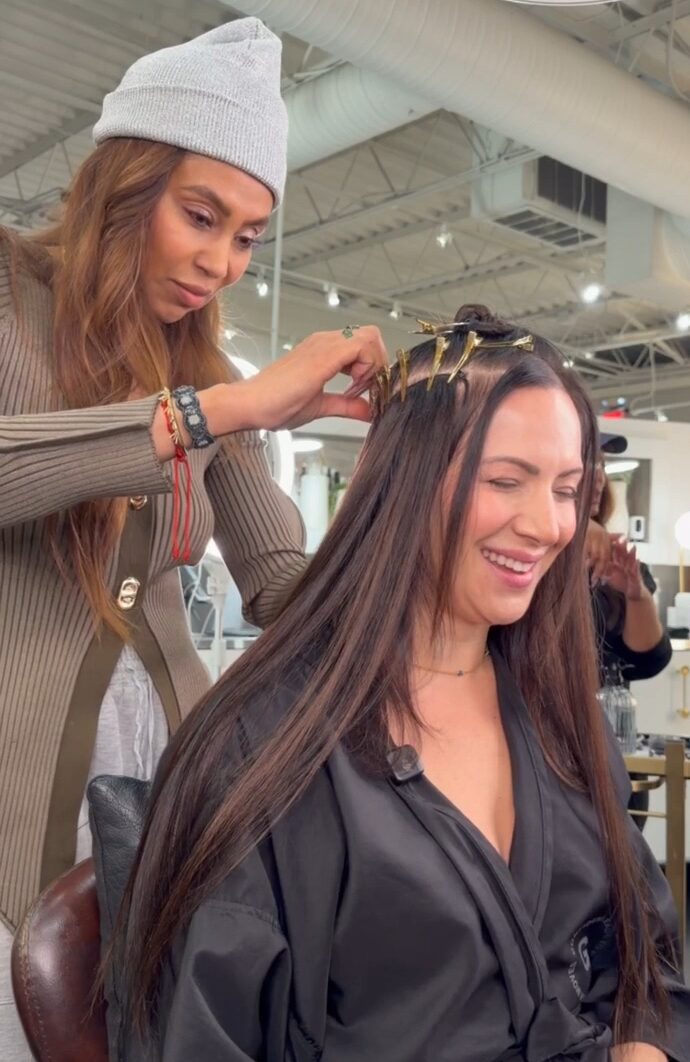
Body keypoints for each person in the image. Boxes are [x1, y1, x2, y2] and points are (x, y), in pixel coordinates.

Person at [114, 306, 689, 1061]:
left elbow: (646, 955)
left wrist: (643, 1042)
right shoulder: (262, 752)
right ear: (406, 483)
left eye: (566, 489)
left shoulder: (557, 720)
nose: (547, 525)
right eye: (506, 480)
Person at [0, 18, 386, 1059]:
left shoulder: (209, 369)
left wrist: (409, 484)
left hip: (161, 797)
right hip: (15, 796)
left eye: (248, 235)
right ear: (126, 184)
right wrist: (218, 412)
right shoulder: (8, 296)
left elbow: (282, 583)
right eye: (200, 216)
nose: (220, 262)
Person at [587, 435, 672, 687]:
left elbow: (648, 662)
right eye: (585, 462)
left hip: (602, 720)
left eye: (600, 464)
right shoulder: (527, 559)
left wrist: (637, 596)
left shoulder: (619, 563)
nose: (598, 477)